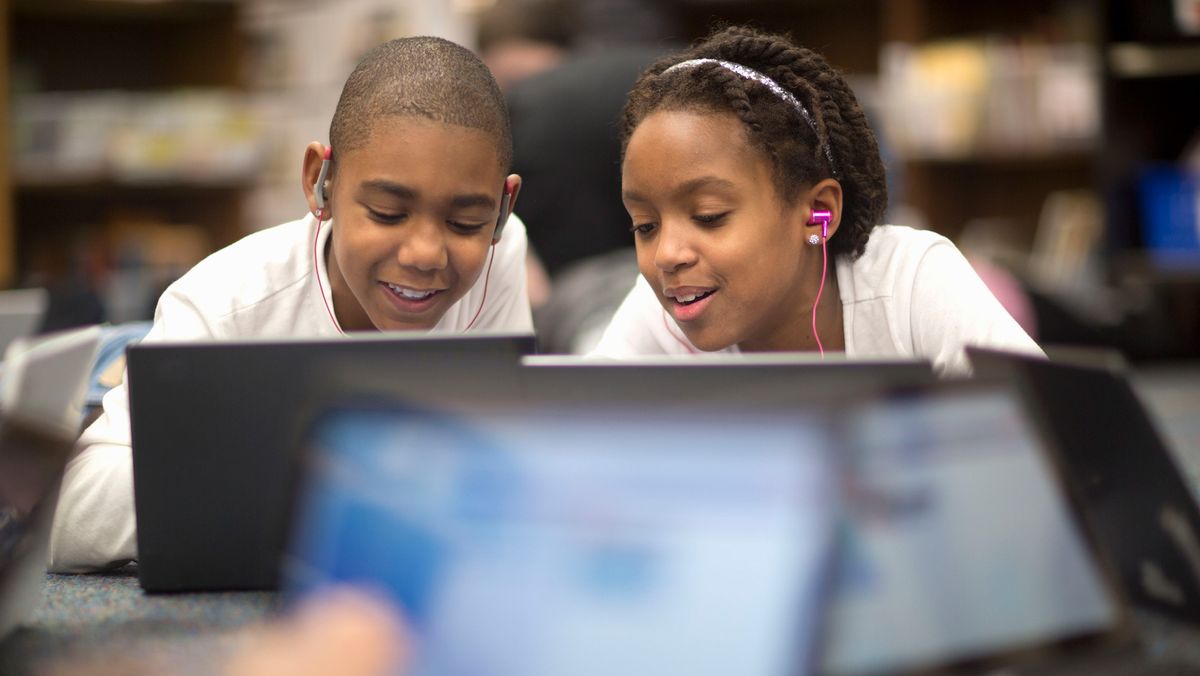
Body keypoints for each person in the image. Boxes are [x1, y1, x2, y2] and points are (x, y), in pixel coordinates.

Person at [48, 37, 532, 572]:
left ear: (503, 208)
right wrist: (322, 482)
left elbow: (503, 467)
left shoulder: (500, 254)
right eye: (388, 213)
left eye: (465, 224)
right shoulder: (223, 300)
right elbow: (73, 516)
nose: (424, 254)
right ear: (319, 182)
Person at [592, 27, 1041, 375]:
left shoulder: (910, 284)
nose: (667, 255)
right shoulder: (660, 318)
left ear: (817, 213)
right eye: (645, 225)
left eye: (709, 217)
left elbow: (1061, 445)